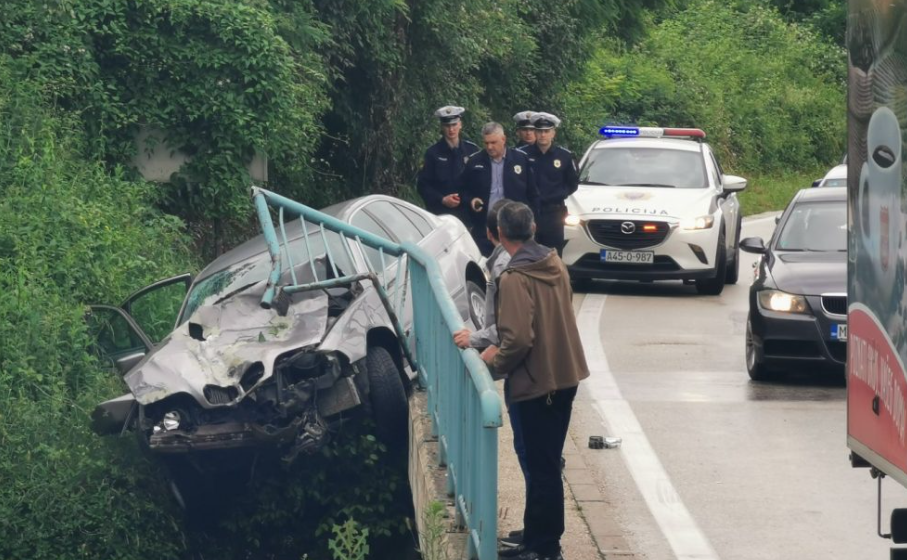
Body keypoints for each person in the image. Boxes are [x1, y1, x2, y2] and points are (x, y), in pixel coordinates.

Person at [482, 202, 589, 560]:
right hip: (565, 373)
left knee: (541, 466)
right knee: (547, 462)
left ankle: (545, 548)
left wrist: (494, 361)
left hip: (536, 382)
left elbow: (517, 339)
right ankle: (536, 537)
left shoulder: (515, 277)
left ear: (500, 233)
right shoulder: (552, 262)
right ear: (531, 229)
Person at [457, 122, 539, 256]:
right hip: (485, 228)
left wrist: (532, 221)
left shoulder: (521, 159)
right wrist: (471, 200)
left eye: (493, 142)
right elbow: (462, 190)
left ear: (503, 139)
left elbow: (533, 194)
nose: (489, 147)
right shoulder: (474, 161)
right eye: (486, 143)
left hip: (515, 228)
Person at [521, 112, 578, 255]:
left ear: (553, 133)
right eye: (539, 131)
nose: (542, 135)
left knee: (552, 256)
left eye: (546, 131)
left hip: (554, 214)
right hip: (529, 212)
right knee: (527, 255)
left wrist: (557, 195)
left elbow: (572, 184)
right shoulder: (522, 155)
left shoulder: (564, 156)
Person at [416, 106, 479, 224]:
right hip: (441, 215)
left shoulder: (472, 150)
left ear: (460, 124)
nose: (451, 129)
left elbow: (479, 182)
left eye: (454, 125)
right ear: (442, 127)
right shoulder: (432, 153)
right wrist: (442, 199)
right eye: (447, 126)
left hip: (467, 215)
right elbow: (423, 186)